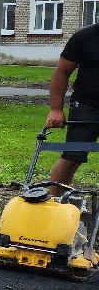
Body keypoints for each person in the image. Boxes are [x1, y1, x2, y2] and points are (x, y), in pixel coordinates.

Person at [45, 22, 99, 188]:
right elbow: (62, 72)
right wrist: (55, 109)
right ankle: (53, 203)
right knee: (72, 157)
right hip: (87, 107)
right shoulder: (85, 37)